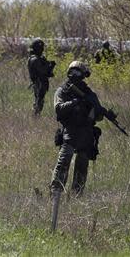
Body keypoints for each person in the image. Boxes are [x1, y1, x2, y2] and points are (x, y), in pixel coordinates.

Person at [50, 61, 116, 196]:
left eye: (77, 72)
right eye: (72, 72)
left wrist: (101, 112)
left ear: (83, 75)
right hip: (70, 131)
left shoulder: (89, 94)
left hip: (85, 133)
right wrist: (75, 102)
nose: (74, 75)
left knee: (82, 165)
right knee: (64, 161)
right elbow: (58, 109)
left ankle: (77, 195)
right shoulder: (63, 90)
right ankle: (55, 193)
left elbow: (97, 116)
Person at [27, 38, 56, 116]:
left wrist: (50, 67)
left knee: (40, 101)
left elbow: (47, 72)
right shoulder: (35, 59)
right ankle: (35, 116)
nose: (42, 50)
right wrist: (50, 66)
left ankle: (36, 116)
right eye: (41, 48)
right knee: (39, 101)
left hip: (41, 82)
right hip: (38, 83)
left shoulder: (38, 58)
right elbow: (43, 71)